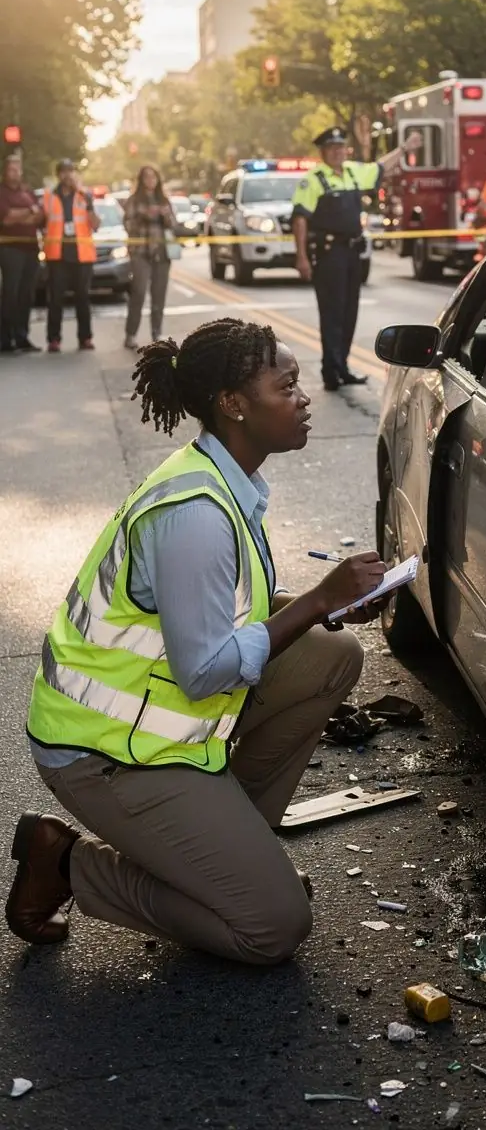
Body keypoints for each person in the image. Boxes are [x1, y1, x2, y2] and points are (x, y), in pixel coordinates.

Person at [6, 317, 389, 964]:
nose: (303, 399)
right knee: (273, 928)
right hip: (106, 752)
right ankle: (67, 863)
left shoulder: (223, 479)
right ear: (233, 404)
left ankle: (225, 858)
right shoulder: (195, 515)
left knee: (331, 656)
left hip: (155, 726)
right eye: (286, 386)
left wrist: (331, 608)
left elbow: (231, 612)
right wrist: (319, 599)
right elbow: (206, 671)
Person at [292, 127, 420, 391]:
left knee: (349, 312)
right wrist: (301, 257)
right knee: (332, 313)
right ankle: (331, 370)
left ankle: (343, 365)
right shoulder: (313, 180)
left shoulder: (352, 172)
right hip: (329, 254)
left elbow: (380, 167)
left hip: (351, 253)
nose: (338, 152)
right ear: (323, 152)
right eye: (332, 148)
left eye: (341, 147)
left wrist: (404, 149)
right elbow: (300, 219)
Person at [42, 160, 100, 352]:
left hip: (81, 256)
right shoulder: (49, 196)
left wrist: (88, 204)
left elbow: (96, 225)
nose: (67, 175)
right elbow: (41, 221)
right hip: (57, 256)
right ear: (58, 175)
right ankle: (54, 339)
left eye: (71, 171)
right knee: (55, 299)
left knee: (82, 298)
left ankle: (85, 338)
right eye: (64, 171)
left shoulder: (84, 196)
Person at [123, 165, 179, 349]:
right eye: (146, 177)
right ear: (141, 180)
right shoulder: (134, 200)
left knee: (159, 295)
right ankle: (131, 334)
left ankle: (157, 333)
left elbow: (173, 225)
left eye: (153, 177)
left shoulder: (164, 199)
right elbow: (128, 225)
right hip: (141, 253)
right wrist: (144, 215)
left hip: (161, 253)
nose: (150, 180)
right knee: (138, 293)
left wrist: (165, 216)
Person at [0, 155, 44, 353]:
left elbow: (39, 216)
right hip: (11, 249)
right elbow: (6, 219)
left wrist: (23, 214)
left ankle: (22, 336)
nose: (15, 173)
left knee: (26, 295)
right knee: (11, 294)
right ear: (5, 171)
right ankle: (5, 339)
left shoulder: (27, 192)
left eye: (18, 169)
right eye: (12, 169)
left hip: (31, 249)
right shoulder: (2, 193)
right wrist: (28, 212)